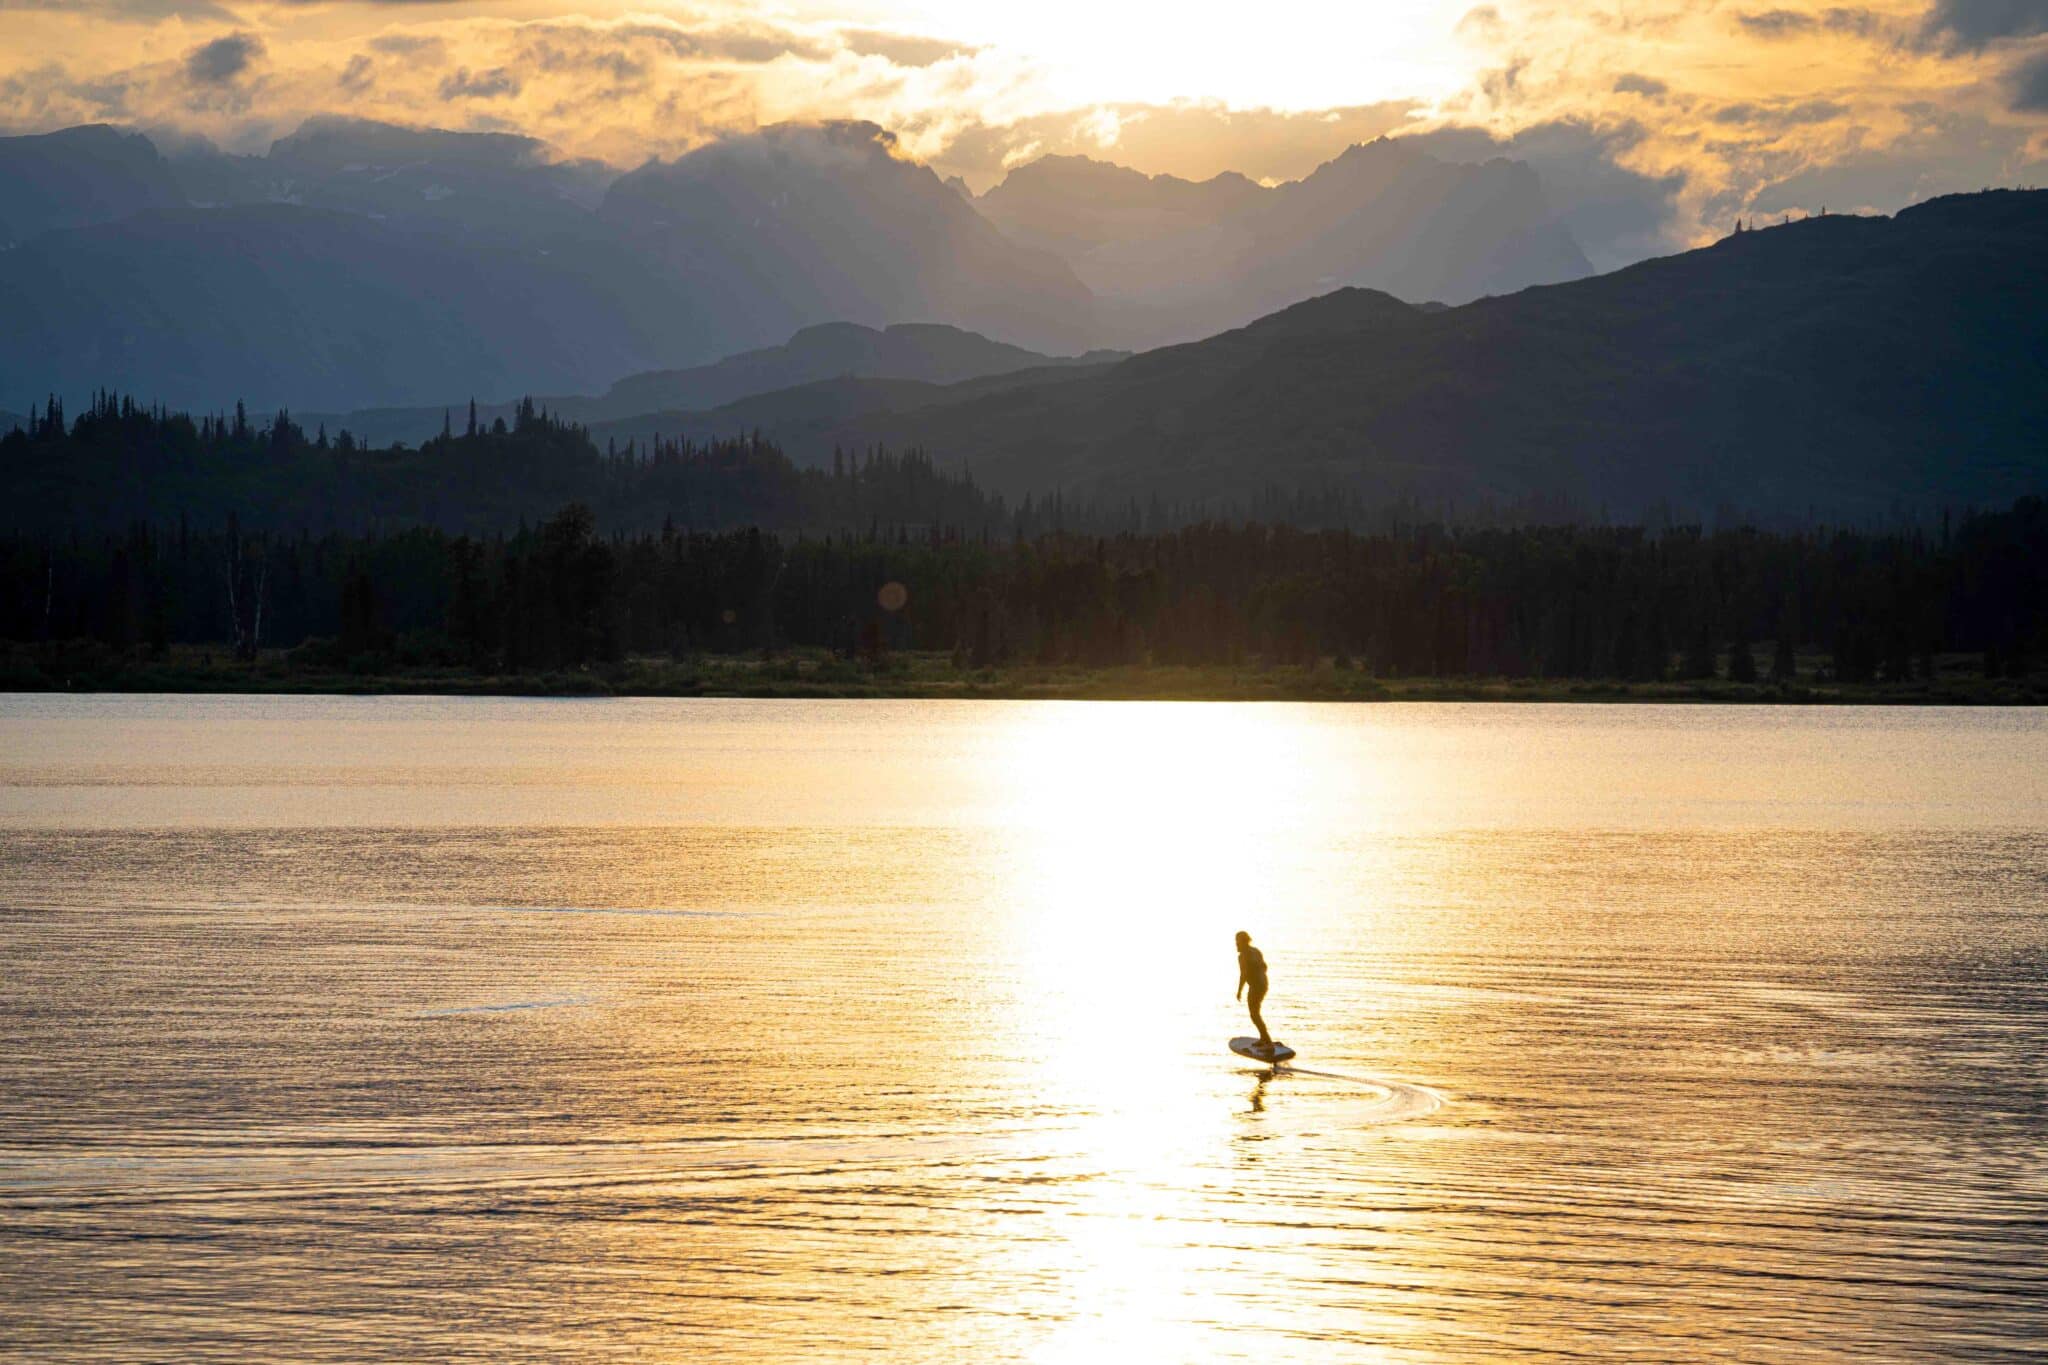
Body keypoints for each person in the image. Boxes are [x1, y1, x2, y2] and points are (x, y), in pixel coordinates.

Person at [1235, 930, 1275, 1051]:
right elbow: (1265, 967)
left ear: (1242, 942)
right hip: (1263, 984)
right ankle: (1264, 1039)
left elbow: (1244, 974)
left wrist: (1239, 991)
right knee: (1256, 1013)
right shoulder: (1256, 951)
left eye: (1237, 942)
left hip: (1256, 986)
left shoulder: (1243, 956)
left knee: (1254, 1014)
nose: (1236, 944)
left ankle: (1267, 1042)